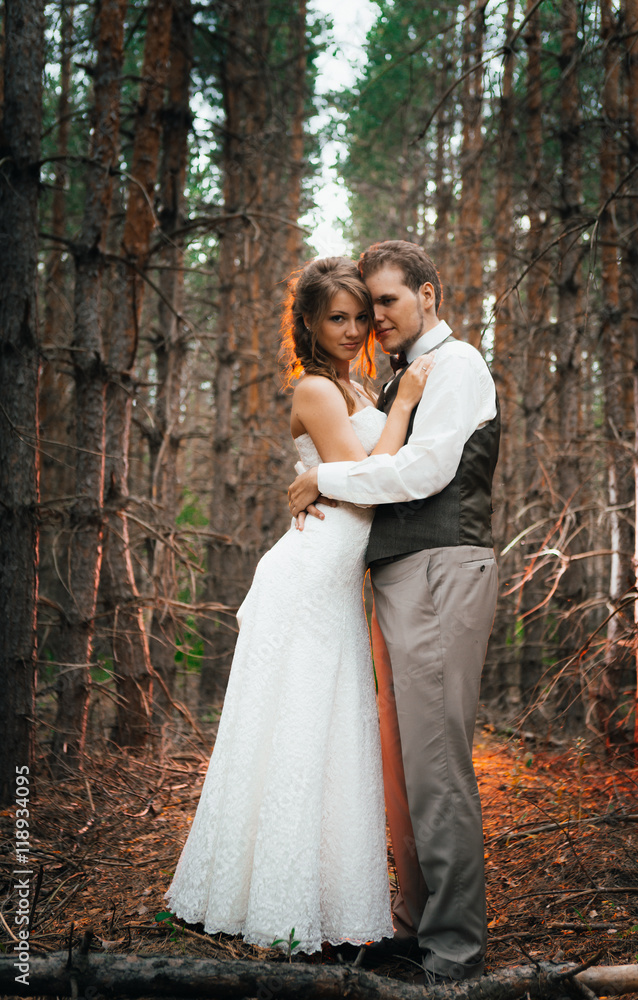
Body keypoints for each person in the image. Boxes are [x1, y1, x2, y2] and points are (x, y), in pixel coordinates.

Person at [164, 257, 436, 955]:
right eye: (335, 318)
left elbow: (350, 472)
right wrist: (400, 407)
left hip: (336, 580)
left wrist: (335, 465)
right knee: (296, 727)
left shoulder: (350, 382)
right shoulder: (316, 387)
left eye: (357, 317)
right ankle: (269, 902)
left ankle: (323, 903)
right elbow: (363, 482)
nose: (351, 330)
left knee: (329, 732)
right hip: (308, 578)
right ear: (308, 324)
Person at [287, 240, 500, 982]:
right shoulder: (403, 375)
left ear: (428, 296)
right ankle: (416, 927)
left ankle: (452, 949)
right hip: (407, 572)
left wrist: (328, 477)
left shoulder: (457, 364)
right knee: (411, 764)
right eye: (365, 304)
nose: (375, 317)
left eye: (387, 301)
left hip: (443, 566)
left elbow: (424, 469)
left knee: (437, 764)